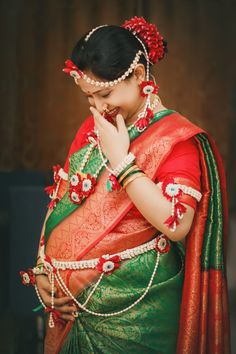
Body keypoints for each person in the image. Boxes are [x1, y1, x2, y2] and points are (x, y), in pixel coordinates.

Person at [20, 16, 230, 354]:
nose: (99, 107)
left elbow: (176, 224)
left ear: (138, 75)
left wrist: (122, 162)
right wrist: (44, 270)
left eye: (105, 93)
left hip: (138, 320)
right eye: (90, 98)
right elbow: (61, 203)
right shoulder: (93, 129)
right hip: (72, 315)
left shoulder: (176, 141)